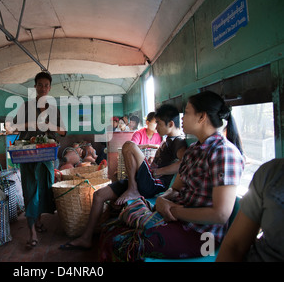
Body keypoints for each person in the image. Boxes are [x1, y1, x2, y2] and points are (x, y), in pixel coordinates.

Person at [99, 90, 245, 261]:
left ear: (202, 117)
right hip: (180, 220)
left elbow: (220, 215)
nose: (181, 118)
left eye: (187, 112)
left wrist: (173, 210)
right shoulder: (194, 151)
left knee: (120, 243)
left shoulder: (224, 153)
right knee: (112, 230)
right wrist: (164, 199)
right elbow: (175, 188)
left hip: (202, 236)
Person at [60, 104, 187, 250]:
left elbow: (184, 163)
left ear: (171, 124)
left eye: (158, 123)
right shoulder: (167, 139)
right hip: (146, 180)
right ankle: (86, 238)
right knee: (99, 195)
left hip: (154, 184)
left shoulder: (178, 141)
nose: (156, 127)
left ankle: (132, 188)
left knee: (128, 145)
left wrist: (161, 171)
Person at [13, 72, 66, 248]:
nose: (43, 88)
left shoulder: (53, 109)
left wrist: (49, 126)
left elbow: (63, 132)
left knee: (43, 191)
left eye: (46, 85)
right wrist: (31, 125)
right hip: (28, 156)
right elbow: (12, 126)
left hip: (46, 156)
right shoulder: (26, 107)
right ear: (35, 86)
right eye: (40, 85)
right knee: (30, 192)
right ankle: (32, 233)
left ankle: (38, 221)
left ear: (50, 88)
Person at [216, 158, 284, 262]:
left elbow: (220, 215)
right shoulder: (272, 172)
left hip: (205, 234)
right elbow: (235, 246)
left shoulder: (223, 152)